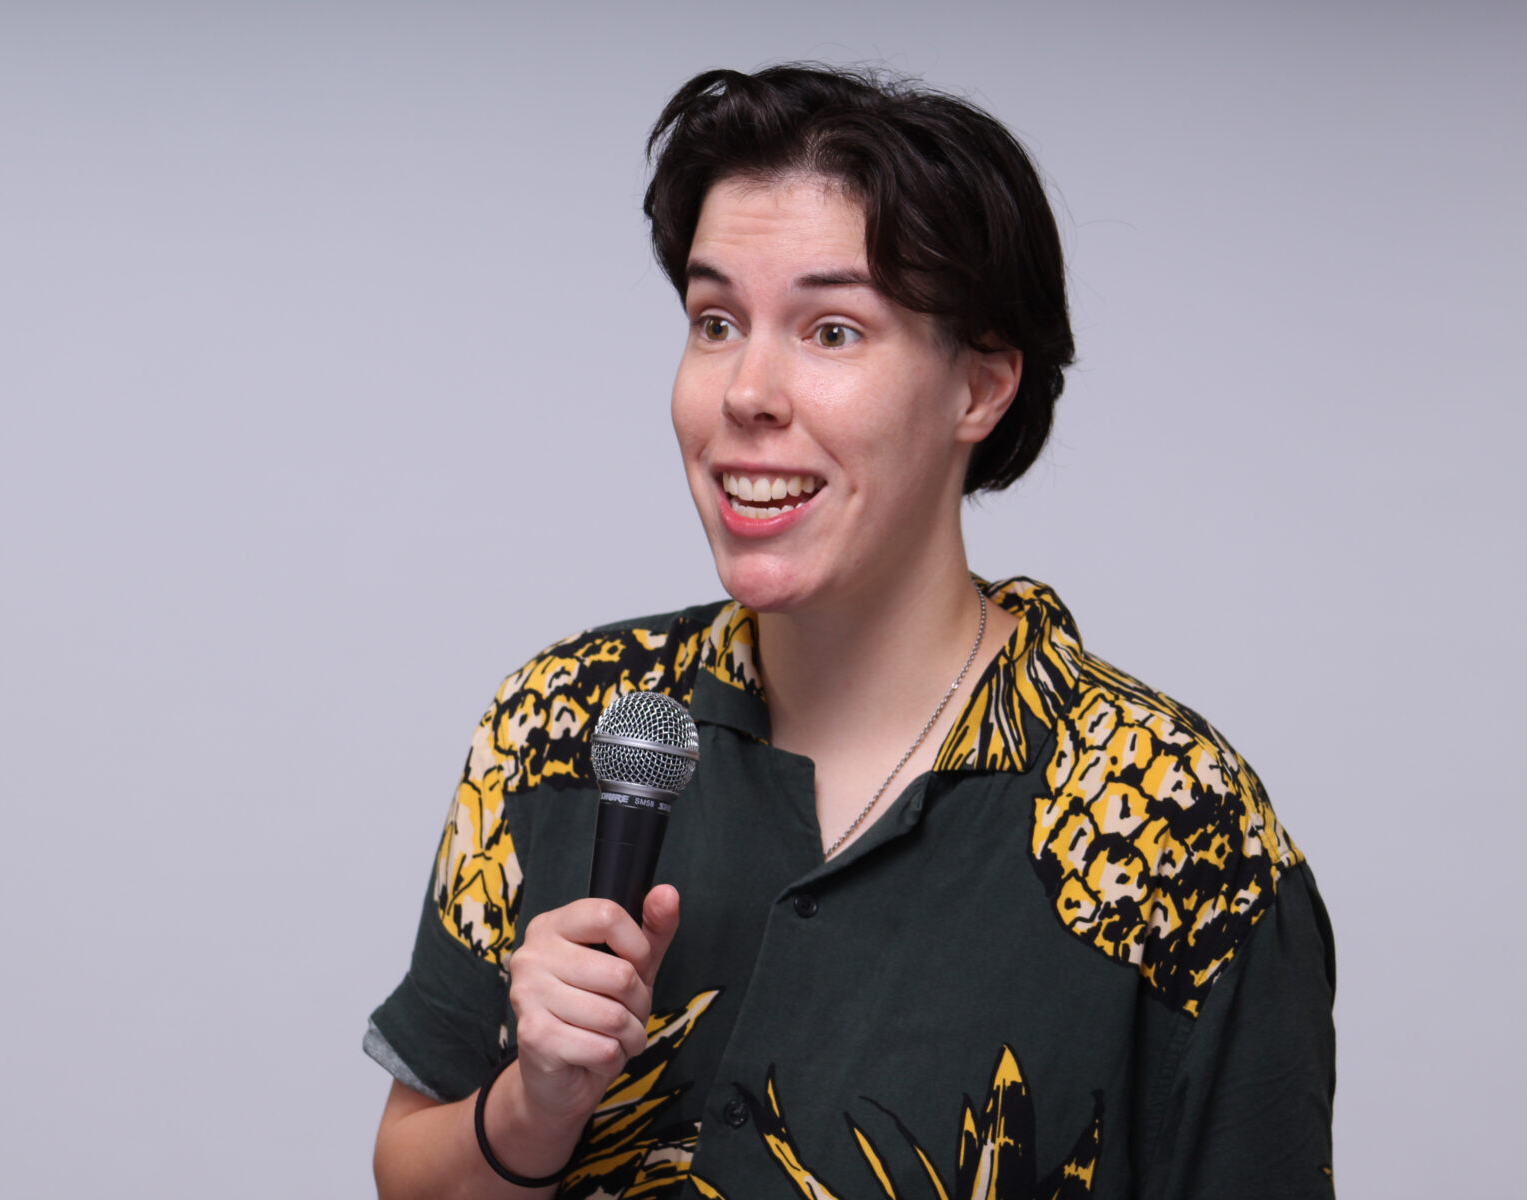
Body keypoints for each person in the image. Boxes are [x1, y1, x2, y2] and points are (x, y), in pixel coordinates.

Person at [366, 64, 1335, 1200]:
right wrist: (535, 1103)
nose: (748, 392)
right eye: (716, 321)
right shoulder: (567, 719)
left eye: (831, 330)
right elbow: (409, 1176)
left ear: (981, 385)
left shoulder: (1172, 817)